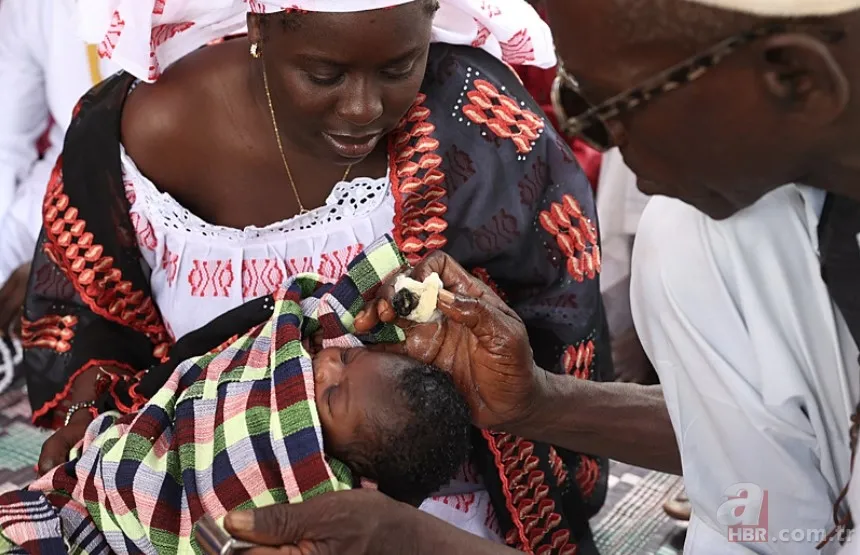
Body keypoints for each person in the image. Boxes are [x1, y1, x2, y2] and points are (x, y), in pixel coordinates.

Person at [213, 0, 860, 553]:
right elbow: (763, 476)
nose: (595, 144)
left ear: (795, 78)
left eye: (606, 106)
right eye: (572, 99)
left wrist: (418, 542)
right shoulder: (712, 237)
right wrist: (535, 401)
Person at [25, 0, 614, 552]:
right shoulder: (138, 135)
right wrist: (89, 416)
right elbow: (84, 314)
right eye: (324, 75)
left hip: (443, 525)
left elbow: (558, 331)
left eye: (399, 67)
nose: (363, 108)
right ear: (259, 27)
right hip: (199, 508)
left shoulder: (479, 124)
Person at [0, 236, 473, 553]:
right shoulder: (307, 345)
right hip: (102, 467)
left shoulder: (315, 491)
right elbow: (343, 306)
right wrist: (405, 293)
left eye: (332, 396)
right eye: (348, 359)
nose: (327, 365)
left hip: (132, 527)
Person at [0, 0, 116, 391]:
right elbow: (6, 146)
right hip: (58, 191)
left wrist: (62, 257)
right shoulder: (32, 7)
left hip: (170, 210)